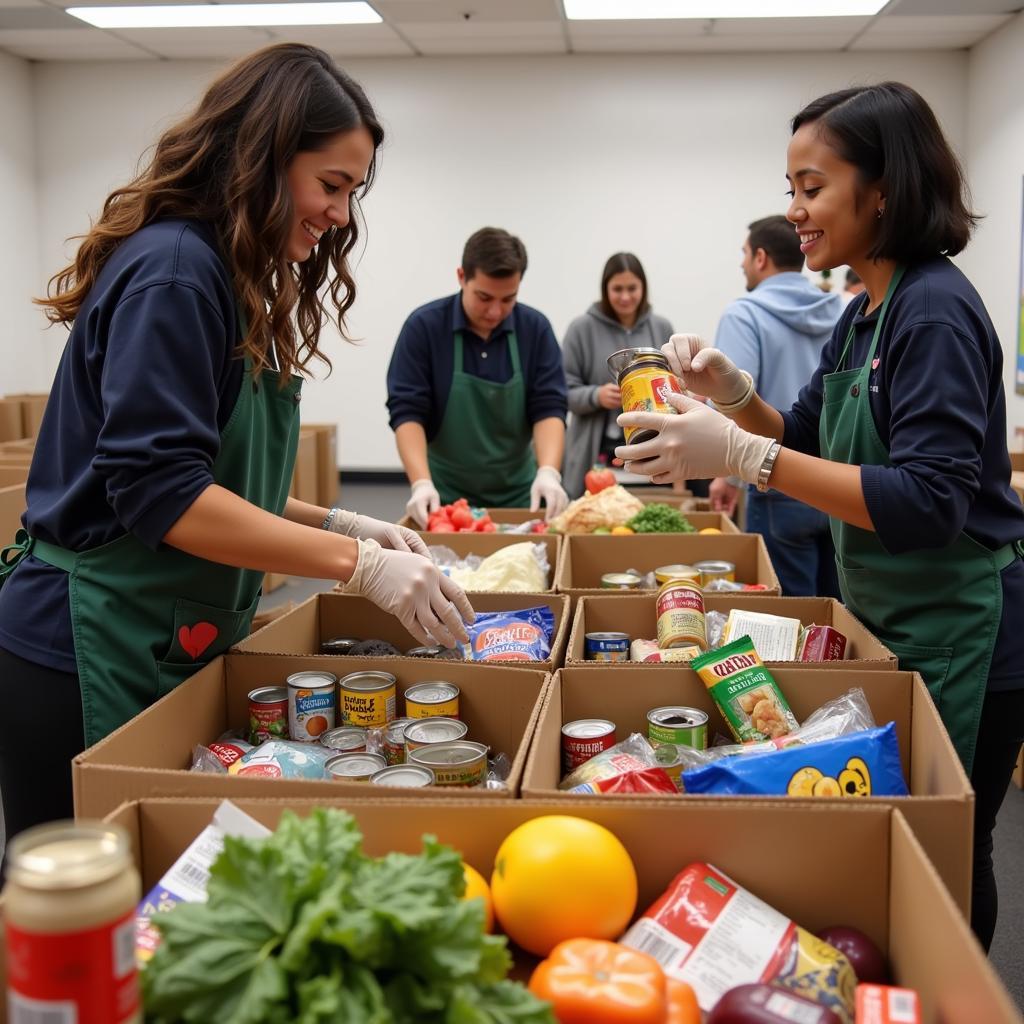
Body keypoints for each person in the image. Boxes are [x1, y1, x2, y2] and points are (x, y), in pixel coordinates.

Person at [0, 44, 473, 842]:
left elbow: (211, 476)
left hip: (156, 633)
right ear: (261, 159)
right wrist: (359, 566)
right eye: (331, 185)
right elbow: (161, 493)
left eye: (352, 193)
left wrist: (341, 524)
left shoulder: (226, 275)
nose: (340, 216)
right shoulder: (177, 276)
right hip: (85, 645)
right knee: (91, 908)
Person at [616, 82, 1024, 951]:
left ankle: (957, 992)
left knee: (948, 844)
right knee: (891, 823)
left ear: (884, 189)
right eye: (790, 189)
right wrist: (734, 395)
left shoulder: (935, 309)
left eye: (812, 187)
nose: (794, 211)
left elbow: (928, 501)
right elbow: (801, 435)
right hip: (896, 611)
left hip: (968, 626)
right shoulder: (863, 311)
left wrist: (744, 457)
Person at [386, 228, 569, 525]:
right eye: (484, 297)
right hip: (445, 499)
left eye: (508, 299)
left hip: (523, 498)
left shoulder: (535, 329)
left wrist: (548, 471)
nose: (495, 311)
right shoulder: (424, 327)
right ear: (461, 276)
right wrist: (421, 483)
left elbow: (549, 406)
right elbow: (407, 411)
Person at [707, 216, 842, 597]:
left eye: (745, 254)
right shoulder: (844, 310)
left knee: (792, 619)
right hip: (843, 485)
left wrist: (727, 476)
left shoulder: (744, 313)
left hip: (777, 478)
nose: (742, 263)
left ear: (761, 257)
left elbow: (734, 401)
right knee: (843, 618)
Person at [562, 253, 674, 498]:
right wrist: (596, 396)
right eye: (617, 289)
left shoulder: (662, 327)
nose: (625, 297)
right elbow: (562, 392)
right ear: (605, 289)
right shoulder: (580, 329)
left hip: (650, 448)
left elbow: (670, 384)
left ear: (643, 288)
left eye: (632, 288)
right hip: (594, 455)